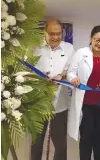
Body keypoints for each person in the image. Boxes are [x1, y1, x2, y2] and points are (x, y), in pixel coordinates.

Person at [67, 26, 100, 160]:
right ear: (91, 39)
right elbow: (71, 72)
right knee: (86, 137)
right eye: (96, 40)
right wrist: (73, 78)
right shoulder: (81, 53)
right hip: (86, 103)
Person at [31, 19, 75, 160]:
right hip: (38, 103)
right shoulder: (35, 48)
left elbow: (72, 70)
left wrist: (61, 75)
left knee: (61, 146)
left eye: (59, 34)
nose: (56, 37)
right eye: (52, 34)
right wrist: (40, 80)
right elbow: (26, 71)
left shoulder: (69, 48)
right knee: (36, 143)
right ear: (45, 32)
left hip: (60, 104)